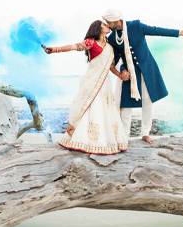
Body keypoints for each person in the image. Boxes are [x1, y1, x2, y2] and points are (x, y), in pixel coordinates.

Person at [102, 9, 183, 143]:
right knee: (126, 106)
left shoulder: (136, 26)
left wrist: (179, 32)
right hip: (130, 74)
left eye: (109, 22)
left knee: (147, 101)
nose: (107, 24)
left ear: (116, 20)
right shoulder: (112, 38)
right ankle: (124, 136)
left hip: (147, 69)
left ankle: (145, 133)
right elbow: (116, 58)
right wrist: (122, 70)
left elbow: (156, 30)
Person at [43, 20, 129, 155]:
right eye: (104, 25)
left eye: (107, 25)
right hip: (92, 81)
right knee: (91, 108)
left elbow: (111, 66)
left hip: (105, 83)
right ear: (98, 28)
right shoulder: (91, 42)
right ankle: (85, 141)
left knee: (105, 109)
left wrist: (119, 75)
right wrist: (54, 50)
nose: (107, 27)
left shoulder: (110, 47)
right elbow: (73, 46)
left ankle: (105, 141)